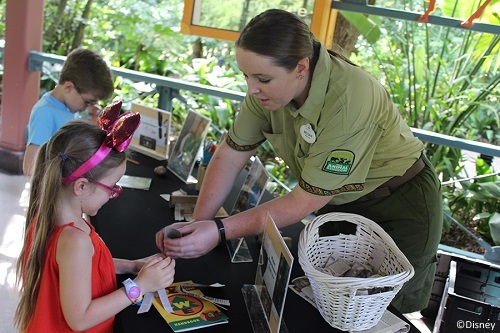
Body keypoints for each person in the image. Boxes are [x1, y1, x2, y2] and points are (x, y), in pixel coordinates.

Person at [155, 9, 442, 314]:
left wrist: (220, 230)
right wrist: (200, 224)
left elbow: (303, 201)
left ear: (301, 68)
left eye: (262, 79)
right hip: (339, 203)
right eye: (246, 76)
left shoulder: (350, 100)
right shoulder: (270, 90)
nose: (252, 89)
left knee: (380, 309)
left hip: (397, 205)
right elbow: (230, 154)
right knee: (324, 302)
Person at [16, 102, 175, 332]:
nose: (114, 195)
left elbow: (84, 269)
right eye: (112, 187)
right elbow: (79, 319)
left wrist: (132, 266)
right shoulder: (74, 241)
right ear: (80, 187)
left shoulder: (50, 217)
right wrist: (139, 286)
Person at [23, 47, 114, 176]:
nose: (89, 107)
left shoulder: (67, 106)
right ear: (68, 87)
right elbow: (30, 167)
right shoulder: (46, 112)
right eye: (87, 102)